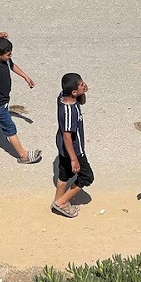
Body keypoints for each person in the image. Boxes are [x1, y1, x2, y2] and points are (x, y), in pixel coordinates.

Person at [0, 38, 41, 164]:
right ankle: (23, 156)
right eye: (8, 54)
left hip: (2, 103)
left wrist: (26, 77)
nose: (10, 56)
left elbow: (12, 65)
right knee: (10, 128)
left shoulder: (5, 60)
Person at [52, 73, 93, 218]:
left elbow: (81, 101)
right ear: (74, 92)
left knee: (64, 174)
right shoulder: (70, 111)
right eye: (81, 84)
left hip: (62, 148)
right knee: (87, 177)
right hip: (74, 150)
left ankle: (57, 202)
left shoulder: (62, 96)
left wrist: (82, 91)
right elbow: (67, 137)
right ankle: (62, 203)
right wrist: (74, 159)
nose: (84, 85)